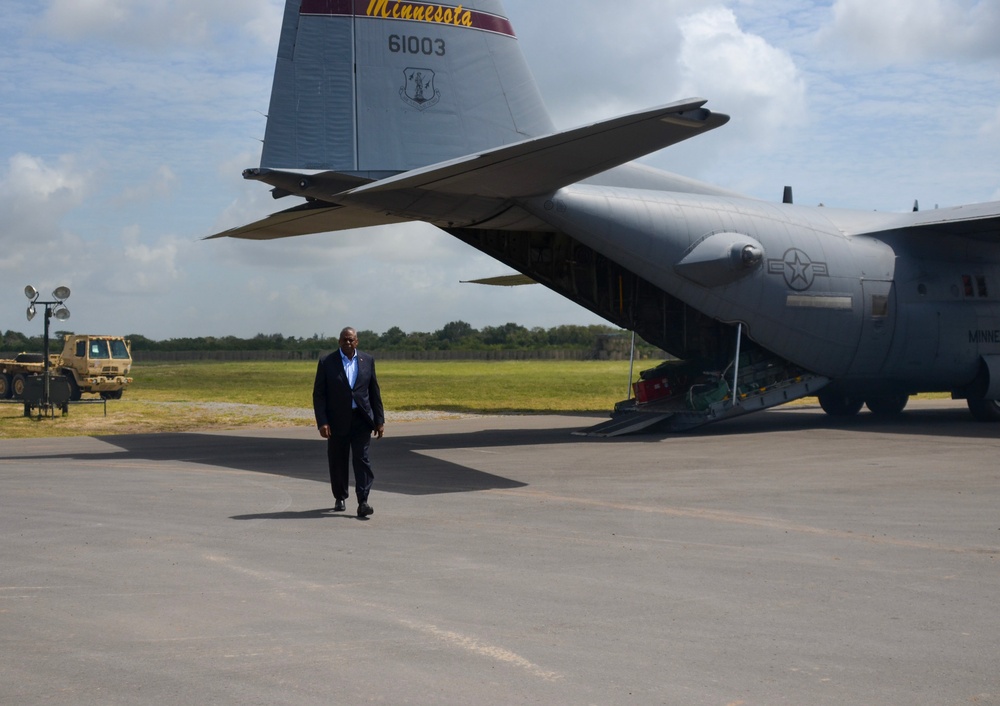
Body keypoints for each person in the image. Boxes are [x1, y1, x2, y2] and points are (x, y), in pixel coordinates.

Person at [313, 327, 385, 517]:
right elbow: (319, 395)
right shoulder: (327, 362)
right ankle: (340, 496)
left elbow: (374, 392)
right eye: (345, 340)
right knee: (338, 460)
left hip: (361, 419)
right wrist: (322, 422)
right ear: (339, 342)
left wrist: (379, 420)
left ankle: (363, 501)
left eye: (351, 340)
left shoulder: (367, 360)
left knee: (362, 459)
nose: (348, 343)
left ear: (357, 342)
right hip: (337, 421)